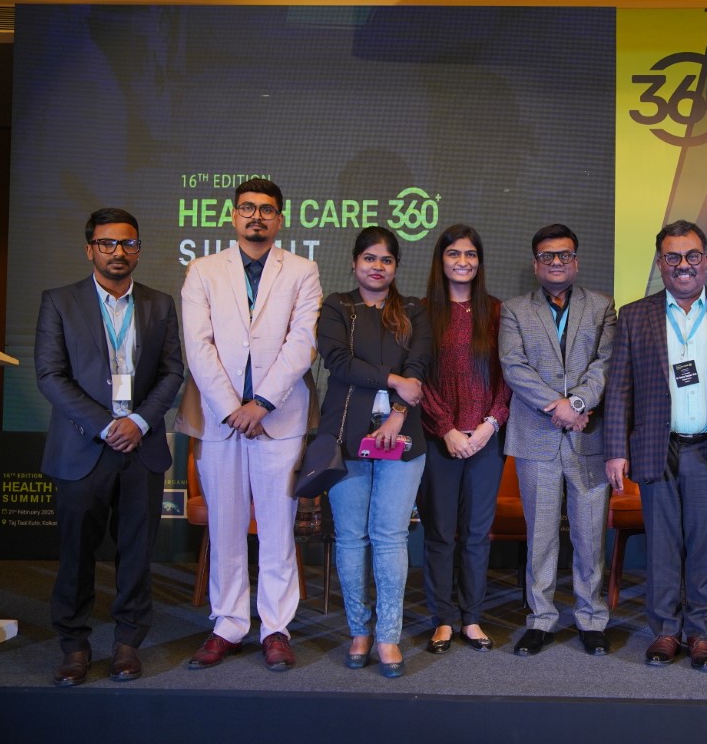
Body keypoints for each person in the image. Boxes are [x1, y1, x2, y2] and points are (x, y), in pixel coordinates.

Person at [604, 219, 707, 672]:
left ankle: (701, 634)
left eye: (692, 255)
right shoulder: (635, 315)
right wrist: (616, 448)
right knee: (662, 544)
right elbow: (619, 388)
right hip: (656, 445)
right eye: (672, 257)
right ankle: (665, 630)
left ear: (705, 260)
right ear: (660, 263)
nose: (683, 265)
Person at [177, 179, 322, 671]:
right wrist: (231, 408)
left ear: (280, 218)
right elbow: (198, 346)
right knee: (226, 527)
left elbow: (302, 343)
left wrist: (260, 404)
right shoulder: (202, 270)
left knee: (278, 530)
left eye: (266, 209)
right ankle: (228, 624)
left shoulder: (302, 270)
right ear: (233, 215)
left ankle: (276, 627)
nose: (256, 216)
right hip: (221, 422)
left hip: (279, 418)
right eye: (246, 208)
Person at [36, 208, 184, 686]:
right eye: (107, 243)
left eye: (128, 243)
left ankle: (127, 644)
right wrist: (105, 425)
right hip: (83, 446)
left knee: (136, 553)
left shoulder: (160, 304)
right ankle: (74, 645)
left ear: (138, 249)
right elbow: (50, 375)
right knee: (76, 554)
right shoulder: (60, 301)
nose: (118, 252)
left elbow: (172, 373)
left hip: (142, 446)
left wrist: (138, 421)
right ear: (90, 249)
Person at [317, 226, 431, 678]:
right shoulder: (337, 306)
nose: (377, 267)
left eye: (386, 260)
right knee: (350, 538)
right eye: (369, 258)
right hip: (344, 436)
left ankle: (387, 635)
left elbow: (419, 367)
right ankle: (358, 631)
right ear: (354, 262)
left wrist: (398, 413)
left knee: (390, 537)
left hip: (403, 436)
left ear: (396, 267)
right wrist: (393, 379)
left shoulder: (415, 310)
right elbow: (338, 362)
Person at [499, 223, 616, 657]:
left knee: (590, 536)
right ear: (536, 264)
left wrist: (579, 402)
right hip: (537, 436)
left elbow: (605, 362)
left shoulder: (602, 306)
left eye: (564, 255)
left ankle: (591, 618)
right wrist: (560, 408)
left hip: (589, 438)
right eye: (547, 256)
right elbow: (514, 366)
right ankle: (542, 619)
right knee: (541, 536)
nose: (556, 262)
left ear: (576, 261)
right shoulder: (514, 309)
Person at [419, 224, 510, 655]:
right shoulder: (423, 313)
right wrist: (447, 429)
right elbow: (418, 378)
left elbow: (509, 375)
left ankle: (472, 618)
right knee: (439, 533)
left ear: (479, 261)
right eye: (454, 253)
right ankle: (443, 619)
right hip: (440, 440)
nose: (462, 261)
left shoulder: (497, 312)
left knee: (476, 534)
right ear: (441, 261)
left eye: (470, 254)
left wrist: (491, 424)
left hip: (486, 441)